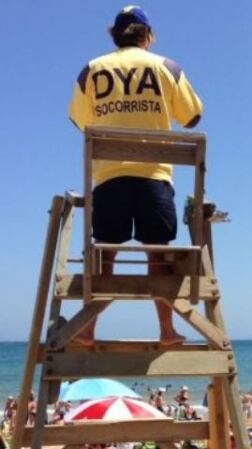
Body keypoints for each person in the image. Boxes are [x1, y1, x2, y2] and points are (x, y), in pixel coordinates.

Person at [68, 5, 203, 346]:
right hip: (154, 176)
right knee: (157, 252)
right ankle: (167, 331)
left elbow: (79, 122)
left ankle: (86, 330)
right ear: (148, 36)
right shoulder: (166, 67)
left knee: (106, 252)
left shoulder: (92, 70)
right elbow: (192, 117)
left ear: (115, 35)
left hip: (109, 177)